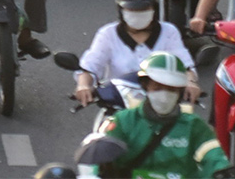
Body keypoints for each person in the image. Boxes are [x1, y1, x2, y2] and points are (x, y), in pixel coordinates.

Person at [69, 53, 226, 179]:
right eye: (157, 87)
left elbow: (213, 156)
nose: (164, 93)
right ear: (145, 86)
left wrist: (223, 170)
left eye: (171, 89)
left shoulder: (194, 125)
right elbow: (102, 160)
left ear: (180, 91)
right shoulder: (123, 121)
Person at [74, 0, 198, 108]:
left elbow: (184, 65)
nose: (137, 13)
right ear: (121, 10)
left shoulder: (169, 32)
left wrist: (190, 82)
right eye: (131, 9)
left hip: (163, 105)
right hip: (119, 107)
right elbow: (90, 66)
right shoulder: (107, 34)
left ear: (154, 9)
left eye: (144, 9)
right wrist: (83, 85)